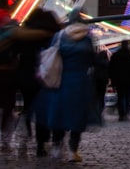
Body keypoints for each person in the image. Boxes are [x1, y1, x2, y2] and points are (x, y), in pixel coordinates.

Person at [0, 0, 51, 158]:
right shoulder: (5, 21)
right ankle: (4, 137)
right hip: (5, 72)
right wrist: (45, 32)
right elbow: (22, 35)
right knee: (7, 106)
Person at [38, 9, 97, 162]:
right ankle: (73, 150)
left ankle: (57, 146)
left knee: (59, 114)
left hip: (61, 80)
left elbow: (50, 53)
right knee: (77, 116)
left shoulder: (60, 36)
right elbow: (92, 60)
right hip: (80, 81)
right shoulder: (87, 38)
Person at [15, 7, 61, 158]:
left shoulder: (24, 33)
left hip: (26, 75)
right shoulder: (52, 34)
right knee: (46, 109)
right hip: (46, 75)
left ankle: (27, 121)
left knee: (30, 104)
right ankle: (44, 142)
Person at [108, 40, 130, 121]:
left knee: (120, 96)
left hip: (118, 80)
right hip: (129, 80)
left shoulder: (115, 56)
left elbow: (111, 69)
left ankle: (121, 113)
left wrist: (112, 80)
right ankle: (125, 112)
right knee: (127, 96)